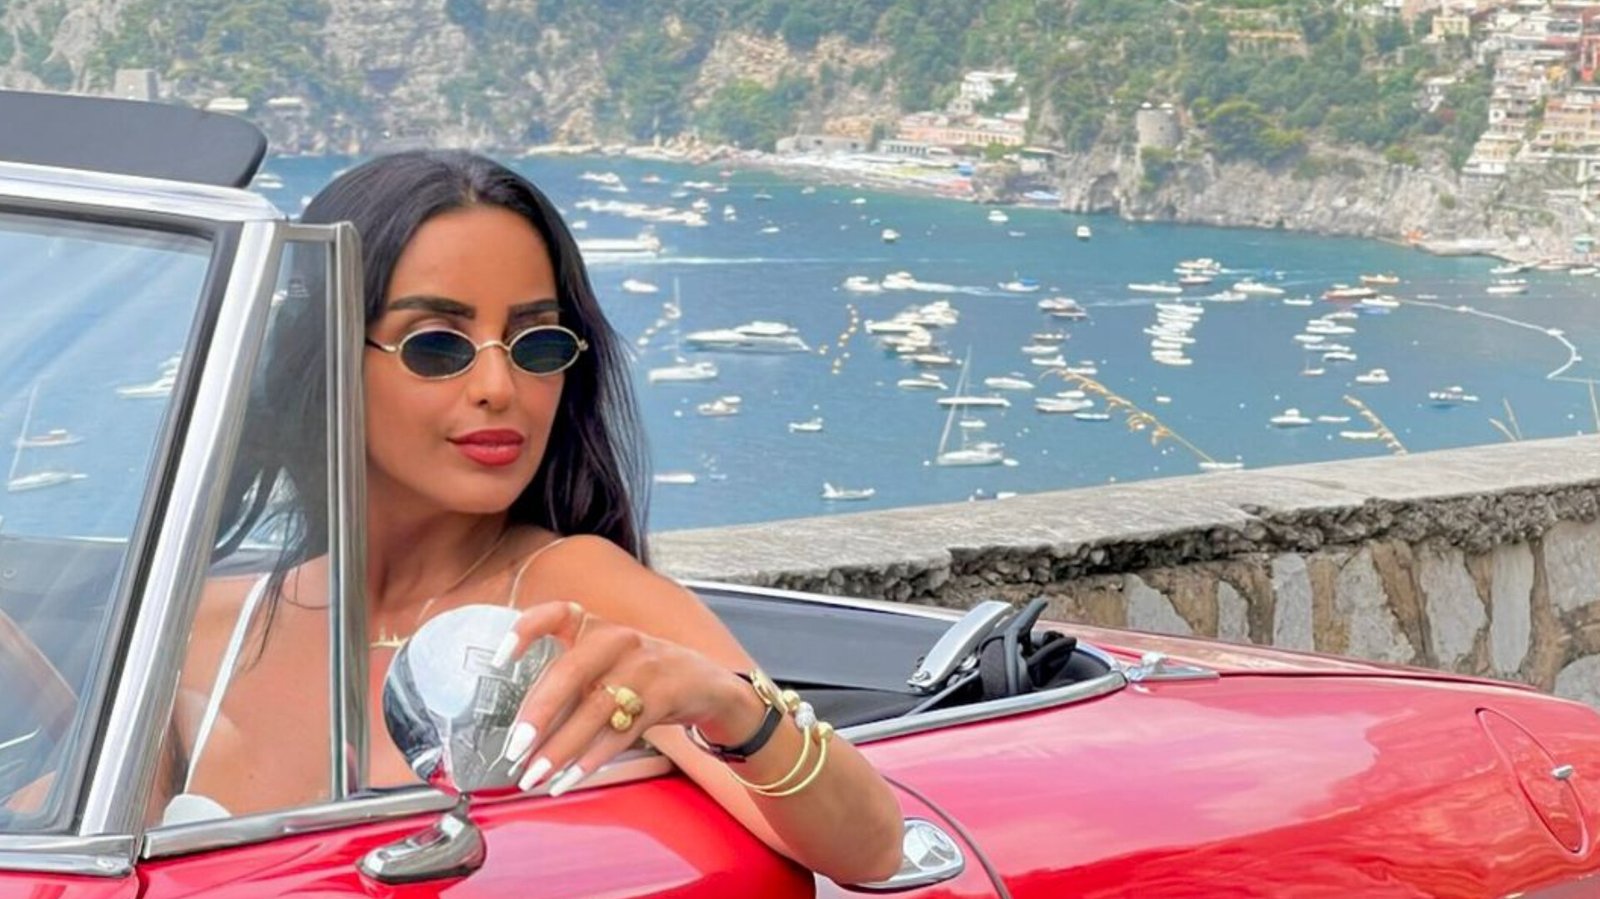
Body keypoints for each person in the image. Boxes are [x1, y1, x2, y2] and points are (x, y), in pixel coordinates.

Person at [168, 151, 903, 884]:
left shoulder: (573, 595)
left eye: (538, 345)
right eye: (437, 346)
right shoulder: (207, 625)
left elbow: (870, 851)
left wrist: (728, 705)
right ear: (325, 353)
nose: (499, 386)